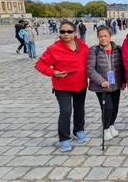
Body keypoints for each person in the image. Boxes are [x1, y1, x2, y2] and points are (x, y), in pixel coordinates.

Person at [35, 20, 90, 152]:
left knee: (79, 109)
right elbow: (40, 64)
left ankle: (78, 130)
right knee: (66, 111)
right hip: (62, 86)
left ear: (75, 33)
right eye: (62, 31)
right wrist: (53, 72)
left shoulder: (82, 45)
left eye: (69, 31)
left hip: (80, 84)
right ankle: (64, 138)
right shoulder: (53, 49)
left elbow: (89, 60)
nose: (66, 34)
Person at [87, 25, 124, 141]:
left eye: (105, 36)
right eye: (100, 36)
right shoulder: (94, 50)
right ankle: (106, 128)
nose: (103, 39)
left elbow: (123, 66)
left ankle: (111, 125)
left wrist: (123, 80)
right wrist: (101, 81)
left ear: (110, 36)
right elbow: (90, 69)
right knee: (107, 108)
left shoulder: (118, 49)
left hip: (115, 84)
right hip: (102, 86)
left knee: (115, 107)